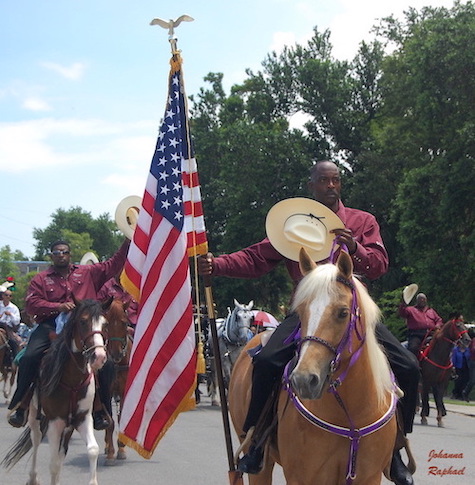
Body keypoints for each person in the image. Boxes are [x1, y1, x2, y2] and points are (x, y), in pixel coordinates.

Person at [199, 161, 419, 485]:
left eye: (336, 180)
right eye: (324, 181)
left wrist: (355, 248)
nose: (331, 186)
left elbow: (379, 264)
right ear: (311, 184)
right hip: (306, 313)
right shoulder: (293, 226)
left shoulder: (362, 221)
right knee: (266, 361)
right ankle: (257, 441)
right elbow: (256, 258)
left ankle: (396, 447)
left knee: (409, 366)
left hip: (351, 312)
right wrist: (216, 265)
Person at [7, 239, 130, 429]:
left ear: (69, 254)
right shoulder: (41, 279)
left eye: (64, 252)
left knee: (106, 364)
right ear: (51, 256)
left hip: (84, 326)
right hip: (50, 325)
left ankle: (102, 411)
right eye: (56, 252)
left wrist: (128, 241)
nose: (61, 255)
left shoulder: (86, 272)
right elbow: (32, 303)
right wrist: (58, 306)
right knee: (30, 356)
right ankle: (20, 406)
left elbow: (113, 264)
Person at [449, 312, 470, 399]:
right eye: (460, 319)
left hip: (464, 361)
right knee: (459, 379)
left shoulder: (462, 327)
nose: (462, 321)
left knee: (465, 379)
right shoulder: (452, 327)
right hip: (457, 359)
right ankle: (456, 393)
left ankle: (461, 393)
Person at [0, 288, 22, 360]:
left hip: (7, 327)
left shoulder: (14, 308)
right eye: (6, 295)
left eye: (10, 296)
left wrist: (11, 315)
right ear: (3, 296)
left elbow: (17, 321)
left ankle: (14, 359)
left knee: (13, 341)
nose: (8, 297)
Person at [462, 328, 475, 402]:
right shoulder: (474, 340)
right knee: (472, 380)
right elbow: (473, 349)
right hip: (473, 361)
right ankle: (465, 392)